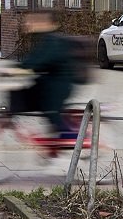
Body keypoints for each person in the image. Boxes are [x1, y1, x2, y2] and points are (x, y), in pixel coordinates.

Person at [8, 10, 87, 148]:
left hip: (58, 86)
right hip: (48, 82)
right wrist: (19, 68)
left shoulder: (52, 40)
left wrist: (18, 69)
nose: (28, 24)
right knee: (22, 97)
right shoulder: (43, 39)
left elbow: (39, 60)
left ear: (46, 23)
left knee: (51, 111)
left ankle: (74, 137)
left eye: (33, 21)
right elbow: (35, 59)